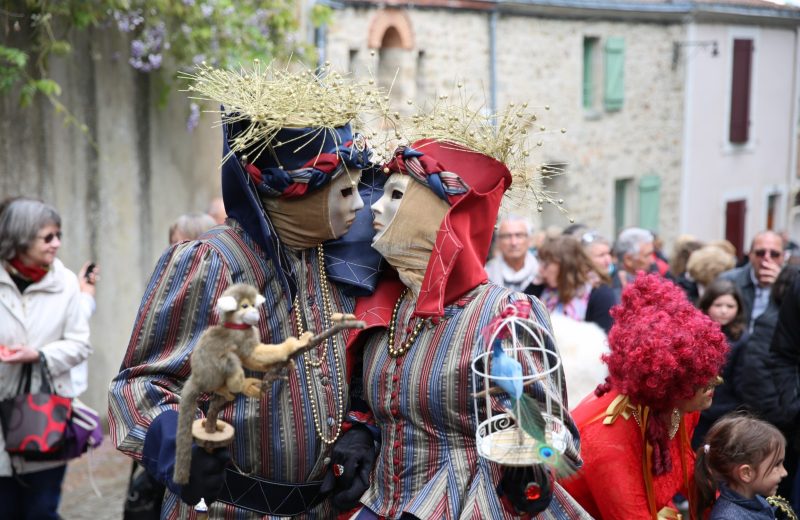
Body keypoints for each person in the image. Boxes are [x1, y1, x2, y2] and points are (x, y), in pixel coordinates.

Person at [108, 64, 383, 518]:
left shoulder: (322, 264)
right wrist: (181, 446)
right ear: (293, 191)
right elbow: (138, 388)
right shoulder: (209, 262)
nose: (358, 204)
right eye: (343, 189)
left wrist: (357, 429)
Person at [341, 107, 589, 519]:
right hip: (382, 503)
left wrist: (532, 453)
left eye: (397, 196)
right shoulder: (387, 305)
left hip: (471, 506)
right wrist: (362, 432)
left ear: (442, 215)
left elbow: (557, 438)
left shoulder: (504, 314)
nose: (375, 209)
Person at [561, 273, 729, 519]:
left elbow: (686, 469)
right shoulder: (610, 445)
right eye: (700, 380)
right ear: (668, 385)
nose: (716, 381)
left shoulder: (679, 408)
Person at [0, 198, 92, 519]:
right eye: (48, 237)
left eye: (59, 235)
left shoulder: (65, 282)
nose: (57, 244)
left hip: (43, 418)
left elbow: (81, 345)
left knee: (41, 510)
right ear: (21, 238)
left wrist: (38, 355)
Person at [694, 414, 790, 519]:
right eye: (776, 465)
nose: (784, 472)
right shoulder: (728, 517)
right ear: (746, 473)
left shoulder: (757, 500)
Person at [692, 279, 749, 448]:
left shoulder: (741, 339)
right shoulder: (697, 332)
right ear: (707, 304)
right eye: (718, 305)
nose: (724, 311)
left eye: (730, 306)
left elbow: (741, 380)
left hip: (727, 409)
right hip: (699, 407)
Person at [525, 235, 616, 333]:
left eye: (546, 264)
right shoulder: (541, 287)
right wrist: (535, 285)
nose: (540, 270)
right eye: (540, 263)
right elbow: (520, 317)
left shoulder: (600, 294)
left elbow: (603, 340)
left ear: (565, 266)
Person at [720, 230, 785, 331]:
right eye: (760, 253)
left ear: (783, 257)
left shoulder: (792, 285)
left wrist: (781, 287)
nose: (767, 258)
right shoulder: (728, 280)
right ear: (750, 255)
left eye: (774, 254)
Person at [485, 215, 539, 291]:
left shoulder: (541, 274)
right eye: (507, 236)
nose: (513, 242)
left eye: (519, 235)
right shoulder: (486, 275)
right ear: (498, 241)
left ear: (529, 239)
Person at [612, 227, 655, 292]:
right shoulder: (616, 288)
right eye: (647, 256)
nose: (652, 261)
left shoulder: (648, 280)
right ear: (628, 260)